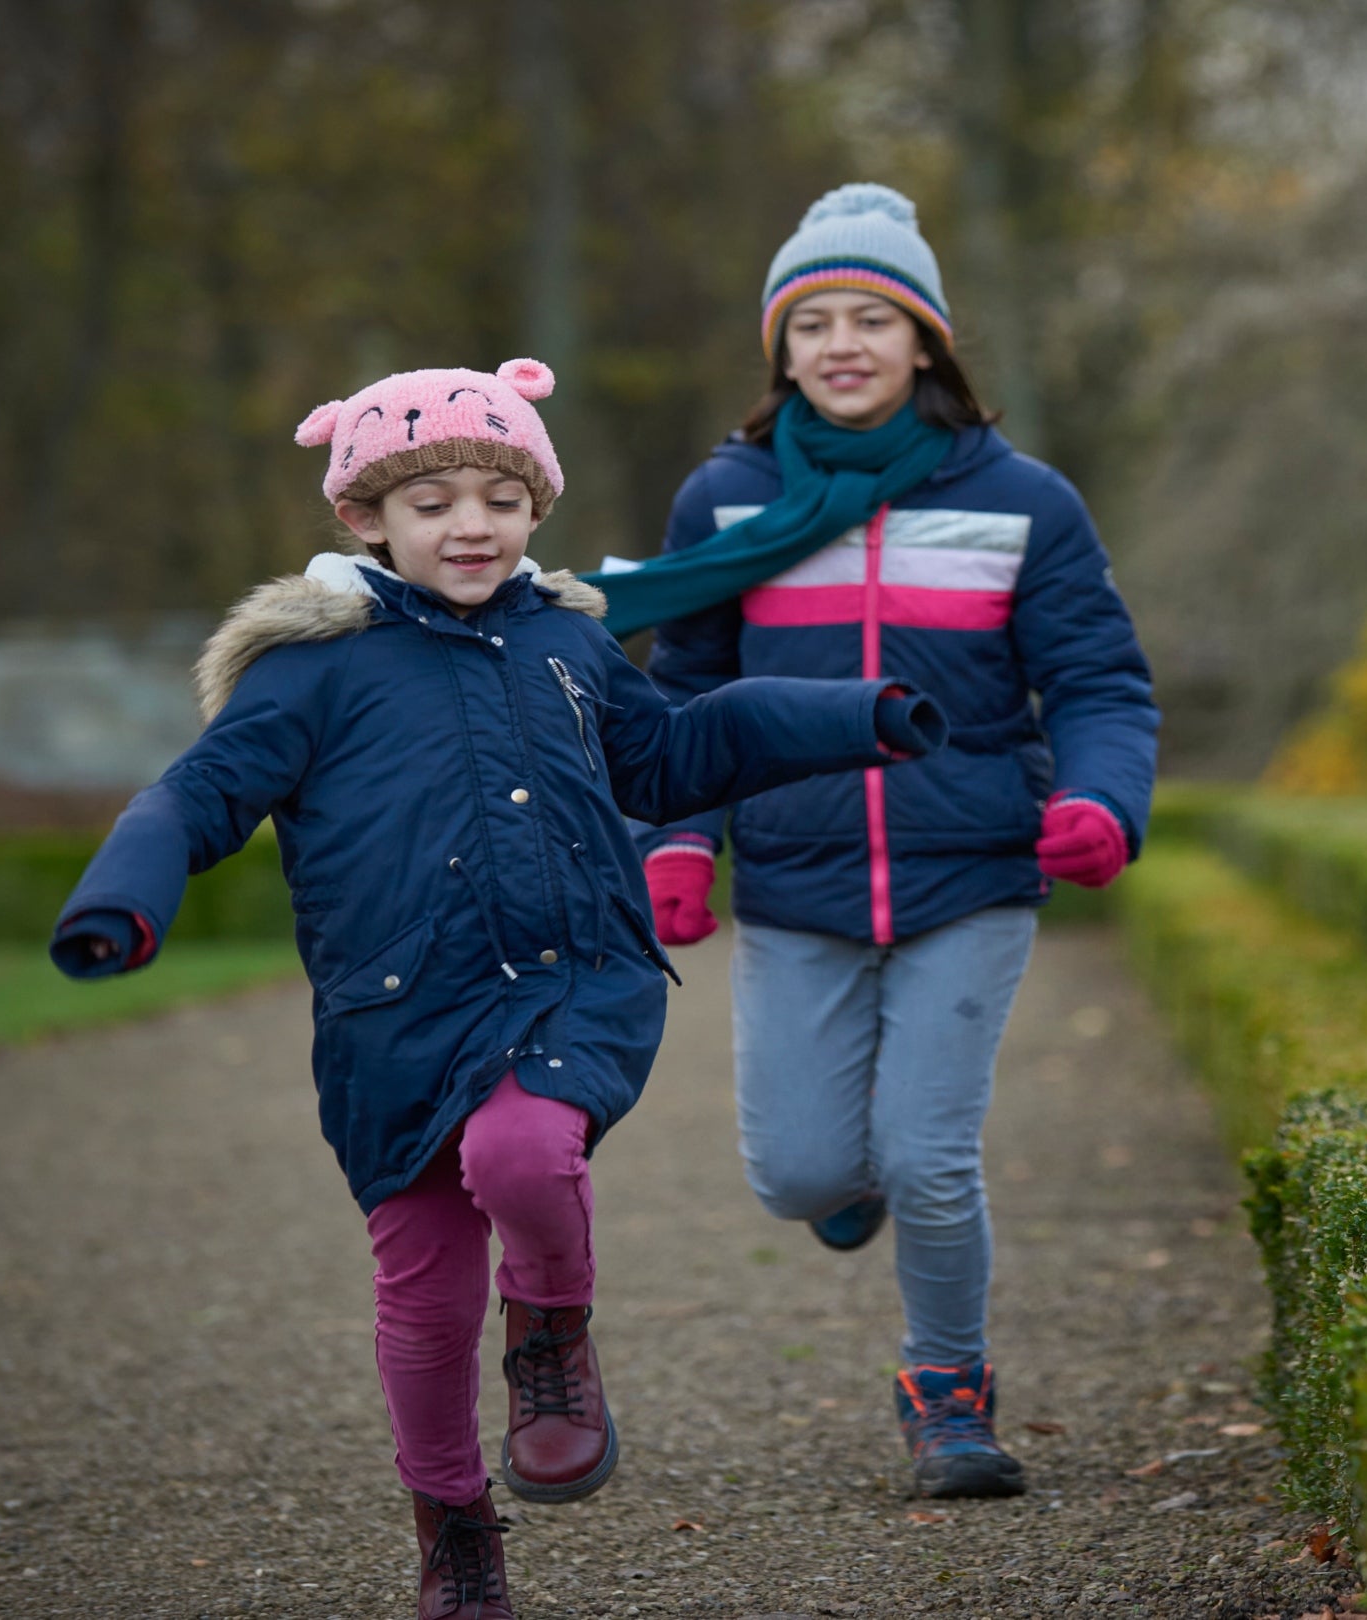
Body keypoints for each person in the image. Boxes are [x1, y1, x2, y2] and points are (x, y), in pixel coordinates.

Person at [47, 357, 948, 1620]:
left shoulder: (567, 641)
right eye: (432, 503)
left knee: (525, 1157)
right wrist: (122, 897)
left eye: (500, 496)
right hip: (394, 1016)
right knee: (420, 1296)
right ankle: (453, 1523)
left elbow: (674, 749)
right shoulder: (308, 673)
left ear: (536, 507)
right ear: (365, 519)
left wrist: (861, 713)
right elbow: (196, 797)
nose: (471, 524)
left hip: (568, 983)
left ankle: (551, 1336)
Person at [598, 183, 1159, 1500]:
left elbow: (1098, 685)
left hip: (973, 877)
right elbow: (679, 693)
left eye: (873, 318)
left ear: (928, 345)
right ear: (780, 351)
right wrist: (672, 842)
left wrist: (1099, 803)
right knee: (798, 1171)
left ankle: (948, 1392)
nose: (842, 344)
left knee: (929, 1154)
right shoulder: (725, 505)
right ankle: (844, 1187)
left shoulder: (1025, 501)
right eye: (813, 323)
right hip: (796, 885)